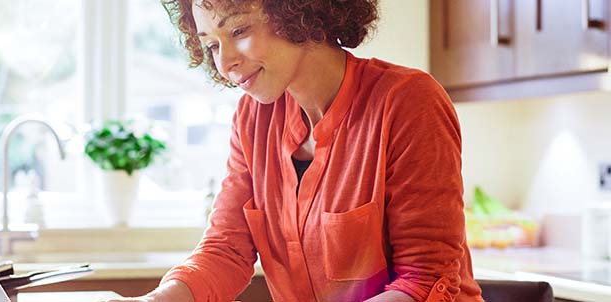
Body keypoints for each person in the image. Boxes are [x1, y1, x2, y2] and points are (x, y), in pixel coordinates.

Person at [107, 0, 484, 301]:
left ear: (298, 11)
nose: (224, 64)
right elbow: (226, 250)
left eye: (238, 30)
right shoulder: (253, 118)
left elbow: (425, 280)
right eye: (211, 45)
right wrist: (155, 301)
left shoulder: (406, 101)